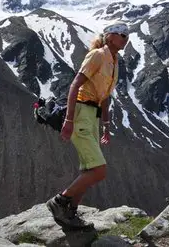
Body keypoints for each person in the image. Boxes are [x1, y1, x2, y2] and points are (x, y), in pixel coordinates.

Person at [46, 21, 129, 229]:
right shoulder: (98, 55)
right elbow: (75, 85)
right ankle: (59, 202)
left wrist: (106, 126)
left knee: (88, 169)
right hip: (82, 112)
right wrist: (69, 120)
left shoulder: (115, 61)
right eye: (122, 34)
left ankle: (70, 213)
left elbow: (105, 96)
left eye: (127, 35)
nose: (126, 38)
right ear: (109, 36)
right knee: (99, 170)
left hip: (93, 115)